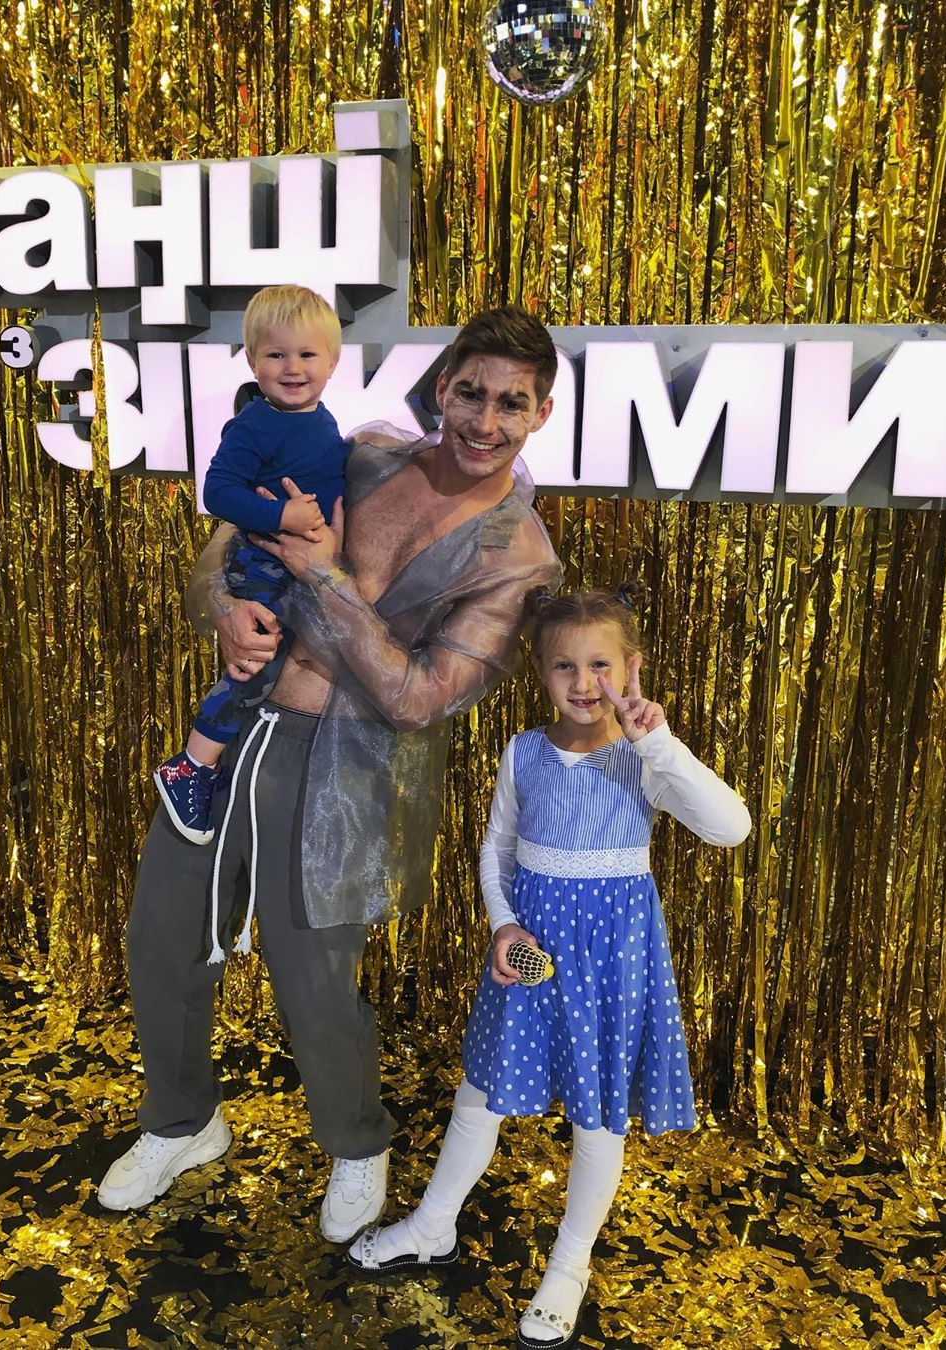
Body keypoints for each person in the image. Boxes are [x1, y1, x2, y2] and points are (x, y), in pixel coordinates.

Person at [97, 306, 564, 1246]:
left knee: (313, 981)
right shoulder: (364, 456)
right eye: (470, 393)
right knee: (162, 937)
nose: (484, 420)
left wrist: (322, 578)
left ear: (540, 414)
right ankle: (182, 1123)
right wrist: (223, 607)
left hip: (345, 772)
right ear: (441, 389)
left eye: (511, 403)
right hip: (231, 733)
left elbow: (420, 698)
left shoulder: (517, 555)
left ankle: (356, 1143)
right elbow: (230, 542)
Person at [347, 588, 751, 1348]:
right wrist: (503, 925)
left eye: (601, 665)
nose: (583, 682)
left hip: (610, 961)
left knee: (597, 1115)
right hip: (529, 953)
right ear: (539, 670)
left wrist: (660, 743)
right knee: (479, 1094)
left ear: (630, 669)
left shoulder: (645, 759)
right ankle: (433, 1224)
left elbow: (732, 827)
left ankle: (569, 1266)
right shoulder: (523, 752)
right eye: (564, 665)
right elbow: (497, 849)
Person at [153, 283, 347, 845]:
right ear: (253, 363)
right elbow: (217, 491)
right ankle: (192, 764)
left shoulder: (319, 418)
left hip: (298, 565)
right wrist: (283, 515)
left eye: (306, 354)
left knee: (287, 661)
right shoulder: (256, 424)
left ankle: (222, 759)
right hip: (262, 563)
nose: (293, 368)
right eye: (276, 355)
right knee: (254, 665)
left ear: (333, 362)